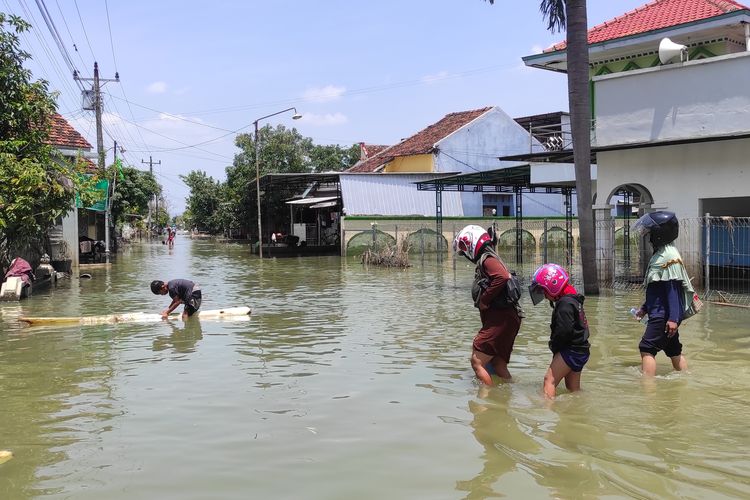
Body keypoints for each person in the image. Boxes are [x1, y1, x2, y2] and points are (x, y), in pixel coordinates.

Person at [454, 225, 523, 385]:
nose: (465, 254)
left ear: (472, 244)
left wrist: (484, 300)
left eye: (464, 249)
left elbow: (502, 277)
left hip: (502, 319)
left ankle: (486, 402)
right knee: (498, 364)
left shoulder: (488, 260)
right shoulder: (489, 258)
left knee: (477, 361)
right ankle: (504, 398)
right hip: (508, 319)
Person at [632, 211, 698, 376]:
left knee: (646, 348)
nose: (648, 235)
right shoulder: (662, 254)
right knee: (673, 349)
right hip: (663, 313)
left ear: (660, 233)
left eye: (651, 232)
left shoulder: (669, 256)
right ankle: (685, 379)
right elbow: (658, 289)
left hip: (663, 315)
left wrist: (673, 319)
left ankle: (649, 388)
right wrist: (645, 308)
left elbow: (672, 290)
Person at [528, 263, 590, 399]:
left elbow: (564, 332)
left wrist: (554, 346)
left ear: (552, 286)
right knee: (573, 389)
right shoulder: (573, 299)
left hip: (570, 350)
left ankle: (547, 412)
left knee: (549, 381)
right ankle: (576, 413)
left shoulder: (564, 304)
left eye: (544, 291)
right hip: (581, 350)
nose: (544, 296)